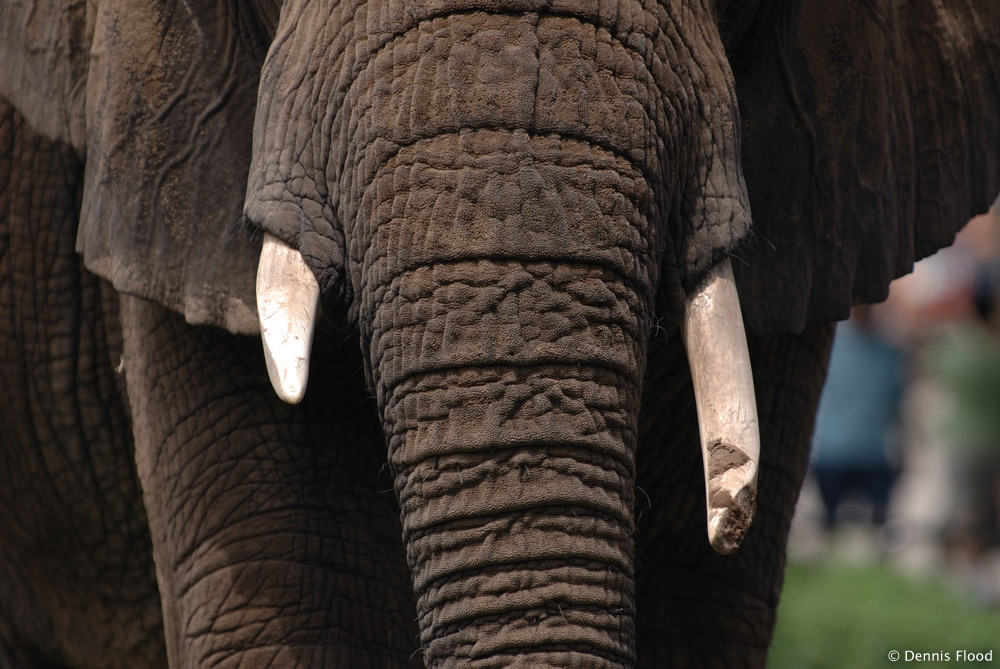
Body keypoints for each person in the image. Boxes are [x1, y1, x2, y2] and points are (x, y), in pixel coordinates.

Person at [811, 306, 906, 531]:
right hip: (840, 452)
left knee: (869, 528)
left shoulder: (885, 353)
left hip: (862, 451)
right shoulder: (886, 353)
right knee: (840, 528)